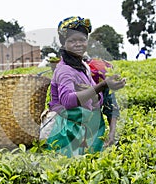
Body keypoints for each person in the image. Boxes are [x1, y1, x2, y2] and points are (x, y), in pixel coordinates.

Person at [39, 16, 126, 157]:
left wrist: (103, 89)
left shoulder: (83, 67)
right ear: (63, 43)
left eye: (82, 40)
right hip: (62, 131)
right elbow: (67, 101)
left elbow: (96, 102)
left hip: (81, 129)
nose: (78, 44)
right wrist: (102, 85)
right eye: (72, 41)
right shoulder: (64, 70)